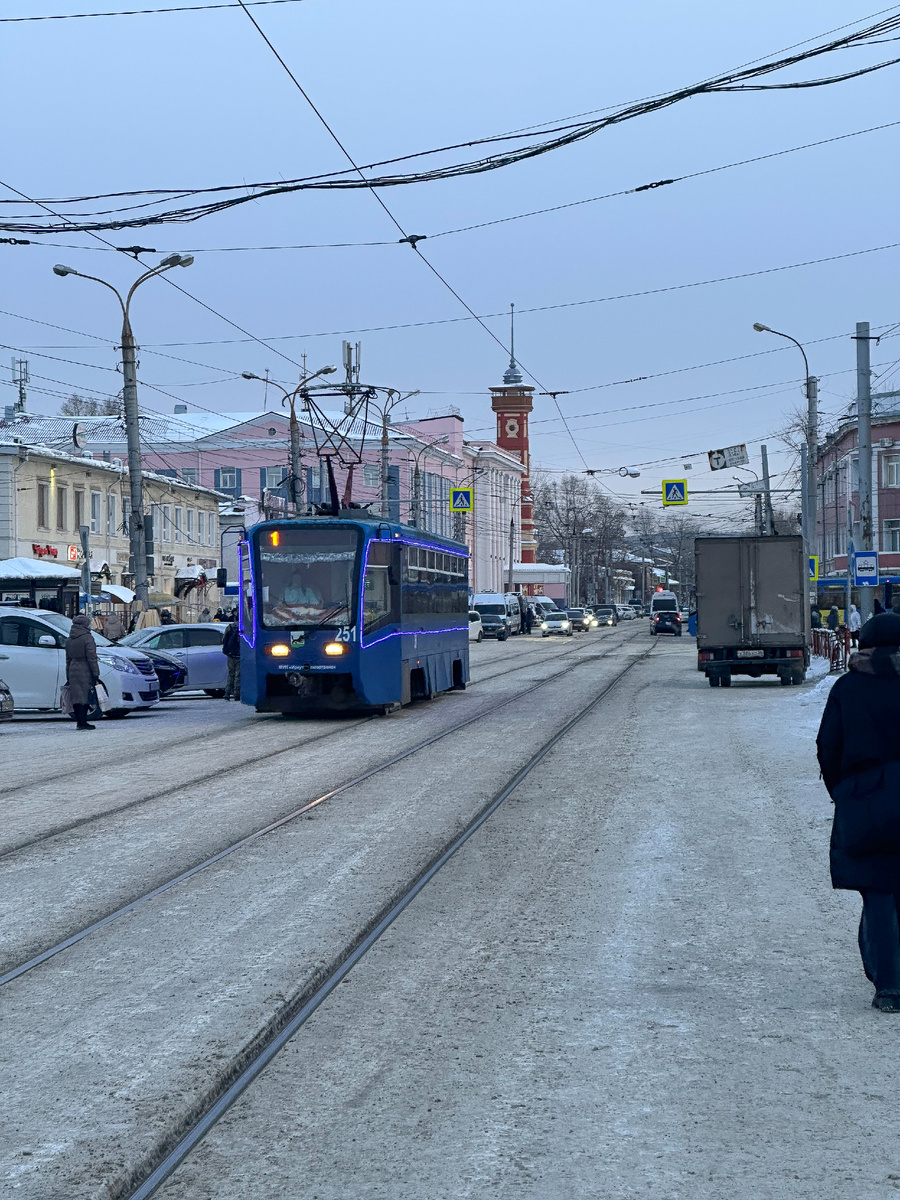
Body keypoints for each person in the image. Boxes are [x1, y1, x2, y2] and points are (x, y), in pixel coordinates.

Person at [817, 613, 900, 1011]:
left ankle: (889, 987)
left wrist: (845, 793)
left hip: (866, 799)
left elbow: (828, 746)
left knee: (878, 889)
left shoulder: (848, 688)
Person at [66, 613, 101, 731]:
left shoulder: (69, 639)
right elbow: (92, 657)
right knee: (85, 695)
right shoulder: (87, 638)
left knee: (76, 696)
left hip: (73, 668)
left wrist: (68, 674)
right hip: (84, 668)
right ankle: (83, 722)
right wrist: (95, 673)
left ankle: (79, 721)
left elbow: (68, 659)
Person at [222, 619, 241, 701]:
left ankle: (227, 693)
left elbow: (224, 640)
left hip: (230, 655)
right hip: (239, 655)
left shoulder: (229, 627)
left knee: (231, 674)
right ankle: (237, 694)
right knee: (238, 675)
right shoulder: (243, 627)